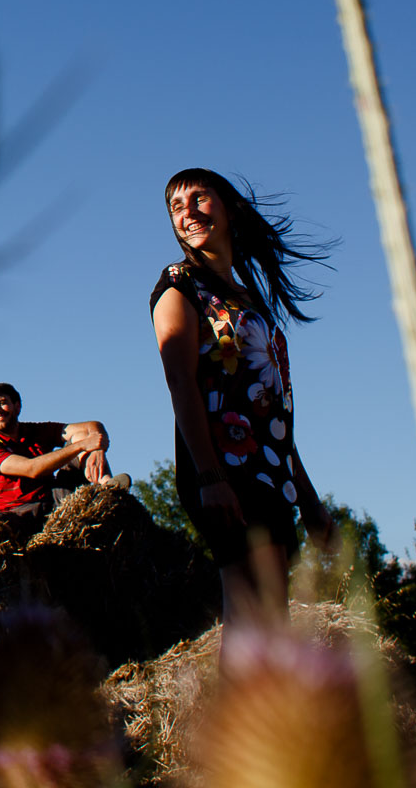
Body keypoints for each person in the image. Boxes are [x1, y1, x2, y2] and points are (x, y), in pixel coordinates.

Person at [150, 168, 334, 631]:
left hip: (269, 470)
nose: (187, 212)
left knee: (269, 613)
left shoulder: (249, 300)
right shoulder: (179, 287)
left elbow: (273, 415)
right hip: (223, 468)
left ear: (228, 208)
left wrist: (308, 499)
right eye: (176, 205)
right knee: (256, 608)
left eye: (199, 198)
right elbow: (181, 383)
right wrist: (211, 476)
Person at [0, 382, 129, 522]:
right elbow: (32, 469)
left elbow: (93, 426)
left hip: (53, 500)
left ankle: (108, 487)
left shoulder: (34, 430)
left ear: (17, 406)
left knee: (81, 436)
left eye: (2, 403)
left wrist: (97, 450)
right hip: (17, 512)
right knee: (0, 526)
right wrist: (83, 445)